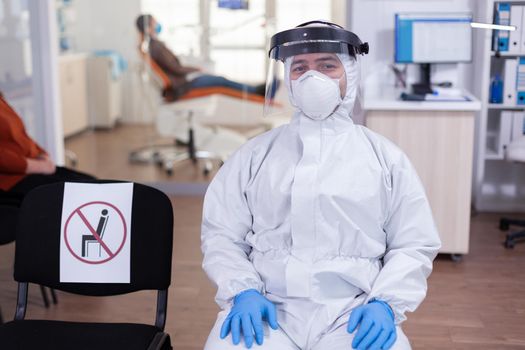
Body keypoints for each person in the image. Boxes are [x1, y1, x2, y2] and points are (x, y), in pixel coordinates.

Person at [201, 20, 441, 350]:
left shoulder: (386, 159)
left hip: (354, 311)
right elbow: (221, 234)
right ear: (289, 78)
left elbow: (414, 243)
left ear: (350, 73)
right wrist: (242, 290)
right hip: (268, 308)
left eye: (327, 65)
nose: (313, 78)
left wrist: (386, 303)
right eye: (300, 67)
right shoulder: (253, 156)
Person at [135, 14, 277, 102]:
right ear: (148, 28)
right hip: (183, 86)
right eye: (154, 23)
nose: (158, 24)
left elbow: (173, 66)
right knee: (221, 81)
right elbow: (176, 69)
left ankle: (255, 90)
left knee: (220, 80)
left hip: (183, 81)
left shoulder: (152, 45)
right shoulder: (155, 46)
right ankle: (257, 92)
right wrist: (195, 68)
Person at [0, 93, 95, 197]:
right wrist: (40, 166)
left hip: (29, 169)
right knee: (87, 191)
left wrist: (41, 154)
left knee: (92, 182)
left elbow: (21, 134)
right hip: (12, 181)